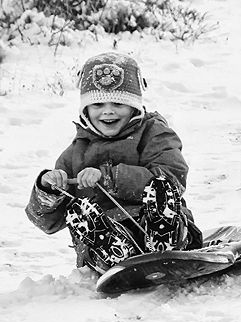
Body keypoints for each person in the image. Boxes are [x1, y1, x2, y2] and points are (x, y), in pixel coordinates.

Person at [26, 52, 202, 274]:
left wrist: (110, 177)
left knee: (161, 190)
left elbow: (173, 177)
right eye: (98, 104)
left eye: (118, 103)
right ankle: (109, 245)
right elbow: (47, 224)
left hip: (155, 221)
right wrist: (48, 190)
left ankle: (164, 236)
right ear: (86, 110)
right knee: (80, 213)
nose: (108, 111)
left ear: (134, 107)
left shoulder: (155, 135)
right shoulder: (74, 155)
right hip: (107, 233)